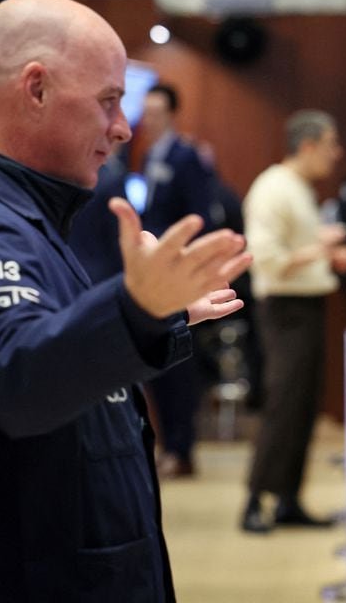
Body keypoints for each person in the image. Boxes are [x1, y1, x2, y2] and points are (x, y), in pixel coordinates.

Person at [0, 0, 252, 601]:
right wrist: (133, 312)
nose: (123, 126)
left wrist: (157, 317)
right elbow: (18, 377)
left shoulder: (26, 215)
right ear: (36, 90)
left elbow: (61, 357)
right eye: (108, 100)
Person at [240, 109, 346, 532]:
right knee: (283, 403)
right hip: (284, 310)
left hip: (306, 307)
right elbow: (267, 259)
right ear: (307, 146)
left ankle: (288, 498)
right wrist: (321, 249)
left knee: (304, 406)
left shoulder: (297, 188)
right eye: (330, 145)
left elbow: (298, 251)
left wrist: (322, 252)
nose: (336, 154)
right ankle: (254, 501)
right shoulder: (273, 188)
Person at [136, 82, 220, 478]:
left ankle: (182, 448)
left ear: (170, 114)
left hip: (179, 270)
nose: (149, 120)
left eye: (156, 113)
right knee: (157, 362)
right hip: (152, 266)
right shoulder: (150, 154)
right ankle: (168, 443)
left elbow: (200, 216)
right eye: (146, 112)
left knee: (178, 363)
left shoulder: (186, 156)